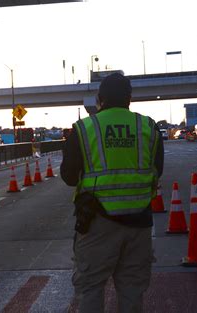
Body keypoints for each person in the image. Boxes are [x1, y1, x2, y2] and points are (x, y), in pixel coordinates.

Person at [61, 73, 164, 313]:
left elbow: (68, 176)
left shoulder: (84, 128)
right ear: (130, 98)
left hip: (97, 222)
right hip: (139, 223)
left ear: (99, 99)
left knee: (91, 288)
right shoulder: (147, 126)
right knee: (132, 290)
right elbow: (157, 170)